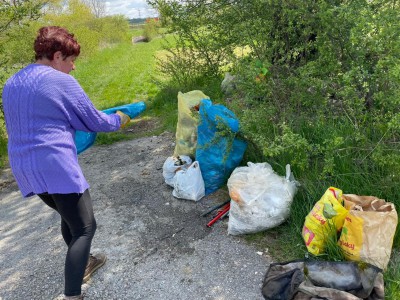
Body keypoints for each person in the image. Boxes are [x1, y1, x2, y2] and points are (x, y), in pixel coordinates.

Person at [2, 26, 130, 299]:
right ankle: (73, 294)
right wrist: (120, 119)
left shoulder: (13, 82)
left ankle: (85, 262)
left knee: (68, 215)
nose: (73, 68)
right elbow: (94, 120)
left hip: (25, 167)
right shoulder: (60, 81)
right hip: (55, 164)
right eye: (71, 61)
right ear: (57, 55)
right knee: (85, 227)